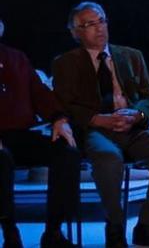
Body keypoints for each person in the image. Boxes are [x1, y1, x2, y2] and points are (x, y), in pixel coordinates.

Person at [51, 2, 149, 248]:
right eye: (89, 24)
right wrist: (96, 118)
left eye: (101, 20)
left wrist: (137, 115)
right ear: (75, 32)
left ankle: (147, 226)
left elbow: (148, 98)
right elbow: (66, 104)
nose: (99, 28)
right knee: (108, 157)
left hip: (130, 127)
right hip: (95, 130)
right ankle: (114, 226)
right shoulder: (65, 63)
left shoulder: (131, 56)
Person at [0, 19, 78, 248]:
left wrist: (59, 119)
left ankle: (54, 231)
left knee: (67, 153)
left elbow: (41, 94)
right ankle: (10, 232)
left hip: (19, 134)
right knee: (2, 160)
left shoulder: (16, 58)